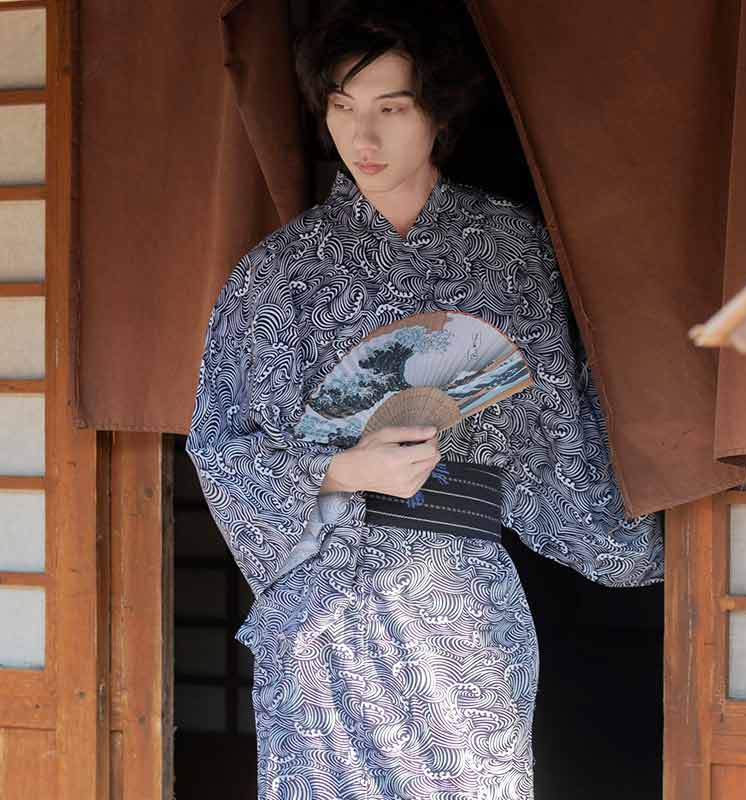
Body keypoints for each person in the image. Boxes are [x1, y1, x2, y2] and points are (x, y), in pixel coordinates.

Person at [185, 2, 665, 798]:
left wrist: (661, 535)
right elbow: (221, 446)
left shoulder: (512, 253)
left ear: (438, 113)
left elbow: (556, 443)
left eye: (390, 108)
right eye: (342, 108)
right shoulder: (279, 275)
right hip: (327, 610)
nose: (361, 138)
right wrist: (341, 468)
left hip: (463, 608)